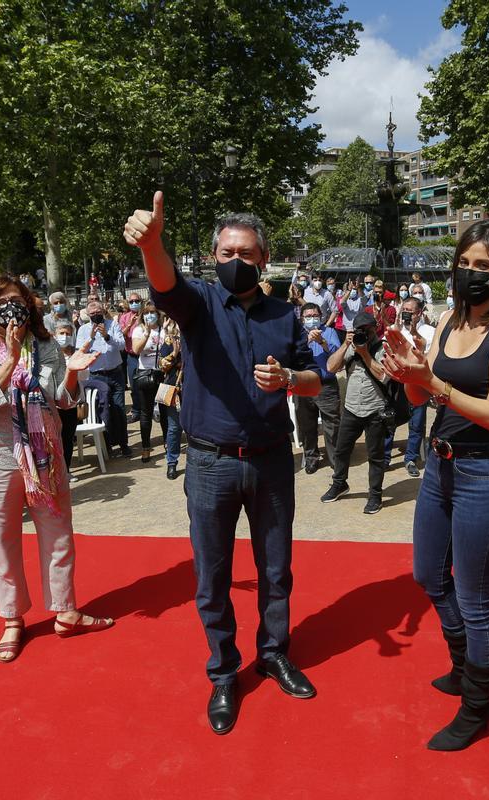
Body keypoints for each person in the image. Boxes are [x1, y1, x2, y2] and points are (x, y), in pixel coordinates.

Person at [126, 195, 323, 735]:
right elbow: (165, 284)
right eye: (226, 251)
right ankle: (223, 671)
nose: (235, 259)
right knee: (211, 575)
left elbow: (315, 379)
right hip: (210, 462)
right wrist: (152, 244)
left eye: (246, 252)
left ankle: (274, 653)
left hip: (272, 461)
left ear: (263, 258)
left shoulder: (286, 314)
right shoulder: (200, 304)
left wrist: (288, 380)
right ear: (213, 255)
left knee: (276, 570)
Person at [380, 221, 489, 751]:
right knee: (427, 575)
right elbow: (422, 401)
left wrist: (433, 381)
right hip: (438, 467)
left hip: (484, 475)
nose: (469, 273)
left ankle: (477, 703)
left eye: (482, 266)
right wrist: (408, 375)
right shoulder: (447, 319)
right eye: (464, 262)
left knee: (475, 597)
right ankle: (466, 664)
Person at [0, 276, 112, 663]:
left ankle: (66, 610)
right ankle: (13, 619)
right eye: (4, 303)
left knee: (58, 535)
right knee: (2, 542)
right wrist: (10, 358)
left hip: (45, 456)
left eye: (20, 301)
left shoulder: (45, 345)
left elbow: (63, 399)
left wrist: (74, 371)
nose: (13, 309)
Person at [319, 312, 391, 514]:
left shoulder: (382, 347)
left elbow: (384, 376)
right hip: (351, 408)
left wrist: (365, 353)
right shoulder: (350, 346)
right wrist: (345, 345)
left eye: (367, 330)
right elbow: (331, 367)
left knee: (375, 456)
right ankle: (339, 483)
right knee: (341, 450)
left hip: (375, 408)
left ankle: (375, 495)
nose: (364, 334)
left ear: (375, 328)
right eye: (360, 331)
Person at [75, 299, 131, 457]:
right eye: (92, 313)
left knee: (119, 410)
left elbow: (121, 345)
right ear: (87, 314)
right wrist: (91, 337)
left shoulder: (112, 324)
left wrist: (107, 336)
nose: (95, 315)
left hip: (115, 373)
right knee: (102, 411)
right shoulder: (83, 330)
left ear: (103, 311)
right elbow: (80, 352)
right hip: (97, 376)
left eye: (98, 312)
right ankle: (107, 446)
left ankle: (123, 443)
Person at [296, 302, 342, 475]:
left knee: (332, 425)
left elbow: (338, 355)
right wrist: (307, 341)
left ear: (321, 316)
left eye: (315, 316)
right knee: (307, 425)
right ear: (302, 319)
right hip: (303, 384)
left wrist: (322, 342)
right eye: (308, 317)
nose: (312, 319)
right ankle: (311, 458)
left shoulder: (329, 332)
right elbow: (292, 355)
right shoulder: (298, 334)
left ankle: (335, 459)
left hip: (326, 386)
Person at [398, 296, 436, 477]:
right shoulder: (395, 330)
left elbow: (431, 357)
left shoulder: (429, 332)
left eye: (410, 311)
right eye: (403, 310)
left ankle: (411, 458)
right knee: (389, 422)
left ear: (419, 313)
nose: (406, 314)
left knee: (417, 423)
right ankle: (385, 458)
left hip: (417, 384)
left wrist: (414, 333)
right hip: (396, 383)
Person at [129, 302, 164, 463]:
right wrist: (147, 333)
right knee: (146, 413)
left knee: (165, 412)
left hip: (163, 375)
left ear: (158, 314)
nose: (150, 315)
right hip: (145, 375)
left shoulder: (165, 330)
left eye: (153, 312)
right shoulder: (139, 330)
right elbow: (136, 350)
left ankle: (168, 444)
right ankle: (145, 447)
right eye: (147, 313)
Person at [157, 320, 184, 480]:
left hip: (195, 387)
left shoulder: (197, 336)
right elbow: (163, 366)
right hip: (175, 388)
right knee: (174, 427)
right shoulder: (169, 340)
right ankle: (172, 462)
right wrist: (174, 352)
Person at [52, 323, 81, 472]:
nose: (65, 336)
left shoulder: (76, 355)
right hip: (52, 405)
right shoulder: (50, 355)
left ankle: (66, 469)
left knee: (68, 438)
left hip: (70, 404)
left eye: (68, 334)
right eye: (61, 333)